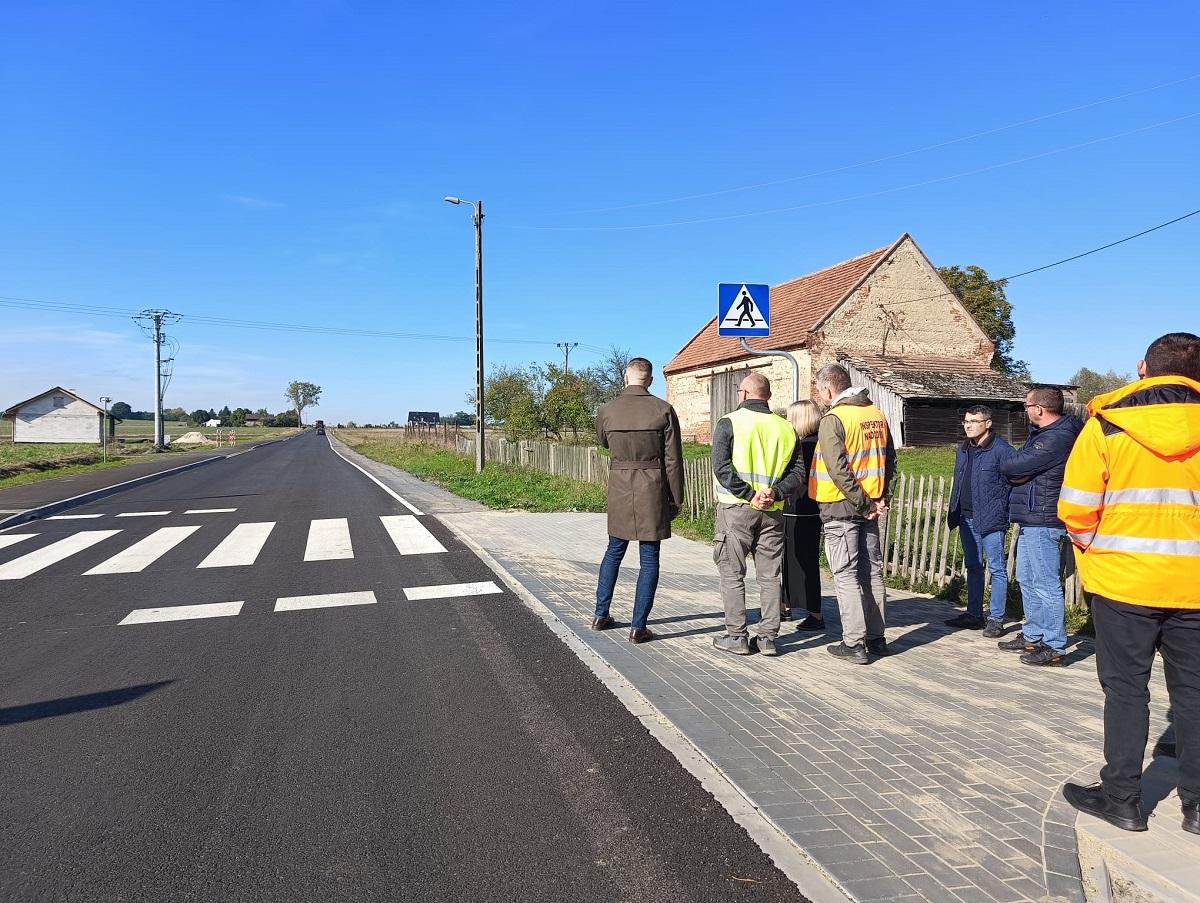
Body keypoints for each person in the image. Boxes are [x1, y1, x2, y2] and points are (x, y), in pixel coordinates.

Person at [1060, 332, 1200, 836]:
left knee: (1125, 692)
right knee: (1195, 695)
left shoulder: (1106, 425)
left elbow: (1076, 508)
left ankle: (1122, 799)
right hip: (1196, 589)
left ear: (1143, 367)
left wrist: (1097, 551)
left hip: (1123, 583)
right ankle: (1198, 807)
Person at [710, 372, 806, 657]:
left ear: (743, 393)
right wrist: (774, 493)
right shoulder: (786, 428)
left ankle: (737, 636)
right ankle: (768, 638)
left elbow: (722, 467)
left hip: (736, 509)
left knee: (732, 573)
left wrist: (750, 494)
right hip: (773, 512)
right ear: (768, 396)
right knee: (769, 576)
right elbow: (798, 472)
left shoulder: (729, 422)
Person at [592, 357, 685, 644]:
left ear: (625, 377)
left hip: (620, 486)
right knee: (649, 558)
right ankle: (638, 626)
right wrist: (676, 499)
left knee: (614, 550)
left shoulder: (606, 411)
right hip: (652, 488)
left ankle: (600, 614)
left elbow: (603, 442)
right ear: (651, 380)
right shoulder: (664, 410)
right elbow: (673, 460)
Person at [810, 364, 896, 664]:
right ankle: (877, 638)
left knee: (845, 574)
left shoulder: (834, 418)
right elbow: (890, 461)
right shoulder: (876, 415)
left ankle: (854, 643)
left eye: (819, 389)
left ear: (829, 388)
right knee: (871, 571)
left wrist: (864, 502)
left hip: (841, 506)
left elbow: (838, 469)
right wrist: (881, 498)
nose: (820, 396)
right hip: (870, 505)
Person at [996, 386, 1083, 666]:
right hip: (1031, 517)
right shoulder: (1042, 435)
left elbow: (1012, 466)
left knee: (1045, 583)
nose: (1025, 410)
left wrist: (1019, 472)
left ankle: (1055, 645)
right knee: (1026, 578)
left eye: (1026, 405)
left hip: (1044, 518)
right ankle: (1033, 635)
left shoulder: (1057, 437)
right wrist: (1020, 472)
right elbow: (1018, 469)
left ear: (1039, 409)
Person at [946, 405, 1014, 638]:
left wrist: (1004, 509)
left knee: (997, 568)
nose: (968, 425)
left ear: (988, 423)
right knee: (973, 566)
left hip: (991, 518)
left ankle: (996, 619)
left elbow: (1014, 482)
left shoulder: (1002, 450)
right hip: (966, 516)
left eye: (974, 421)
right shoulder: (963, 449)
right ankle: (974, 614)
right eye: (966, 421)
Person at [783, 400, 825, 631]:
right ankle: (786, 603)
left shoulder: (806, 446)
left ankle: (815, 613)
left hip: (799, 508)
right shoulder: (819, 442)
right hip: (812, 508)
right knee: (795, 558)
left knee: (801, 560)